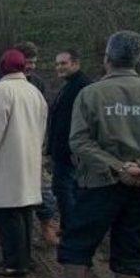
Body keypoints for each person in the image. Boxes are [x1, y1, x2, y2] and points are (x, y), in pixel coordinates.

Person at [52, 31, 140, 278]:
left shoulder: (92, 94)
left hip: (98, 184)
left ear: (107, 59)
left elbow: (79, 142)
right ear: (138, 60)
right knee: (131, 248)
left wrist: (118, 166)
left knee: (78, 243)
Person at [0, 40, 59, 245]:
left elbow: (44, 115)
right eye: (29, 61)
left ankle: (46, 224)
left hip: (28, 145)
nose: (32, 66)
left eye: (35, 62)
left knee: (40, 186)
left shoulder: (37, 84)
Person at [0, 49, 48, 277]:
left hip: (7, 163)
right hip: (29, 159)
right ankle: (26, 259)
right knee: (25, 212)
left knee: (8, 215)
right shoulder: (34, 91)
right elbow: (42, 126)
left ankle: (14, 264)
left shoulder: (1, 90)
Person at [47, 49, 91, 232]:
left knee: (66, 191)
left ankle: (72, 230)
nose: (59, 67)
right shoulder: (68, 86)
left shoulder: (83, 87)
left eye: (63, 63)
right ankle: (70, 227)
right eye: (57, 64)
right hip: (63, 150)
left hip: (71, 152)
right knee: (66, 190)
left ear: (75, 63)